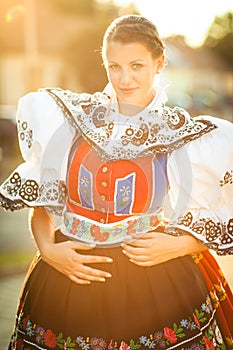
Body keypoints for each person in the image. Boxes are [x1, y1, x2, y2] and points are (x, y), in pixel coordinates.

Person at [0, 14, 233, 350]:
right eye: (115, 66)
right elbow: (45, 205)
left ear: (159, 63)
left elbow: (220, 218)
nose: (125, 78)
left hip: (155, 282)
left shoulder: (185, 136)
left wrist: (179, 245)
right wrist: (49, 251)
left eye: (136, 65)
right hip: (69, 276)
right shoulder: (70, 122)